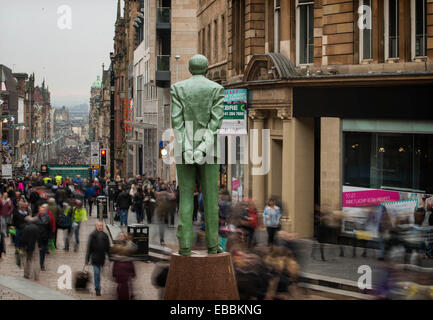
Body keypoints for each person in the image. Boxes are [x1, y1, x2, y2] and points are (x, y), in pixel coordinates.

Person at [86, 221, 110, 296]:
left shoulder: (105, 235)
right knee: (97, 274)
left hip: (102, 258)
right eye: (98, 225)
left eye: (101, 226)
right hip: (95, 258)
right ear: (96, 226)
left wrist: (110, 256)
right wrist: (87, 258)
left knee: (100, 273)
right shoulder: (92, 235)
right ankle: (97, 288)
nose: (100, 227)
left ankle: (98, 286)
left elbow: (108, 247)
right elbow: (89, 248)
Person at [110, 232, 136, 300]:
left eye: (123, 236)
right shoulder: (116, 244)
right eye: (120, 236)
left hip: (123, 268)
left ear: (125, 237)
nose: (121, 237)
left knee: (124, 285)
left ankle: (126, 295)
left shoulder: (128, 244)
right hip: (122, 268)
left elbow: (134, 250)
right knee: (123, 286)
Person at [36, 203, 55, 271]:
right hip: (38, 238)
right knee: (39, 251)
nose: (42, 211)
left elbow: (50, 227)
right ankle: (39, 263)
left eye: (43, 210)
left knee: (43, 251)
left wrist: (51, 235)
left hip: (45, 237)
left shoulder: (48, 218)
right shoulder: (36, 218)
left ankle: (42, 264)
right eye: (40, 210)